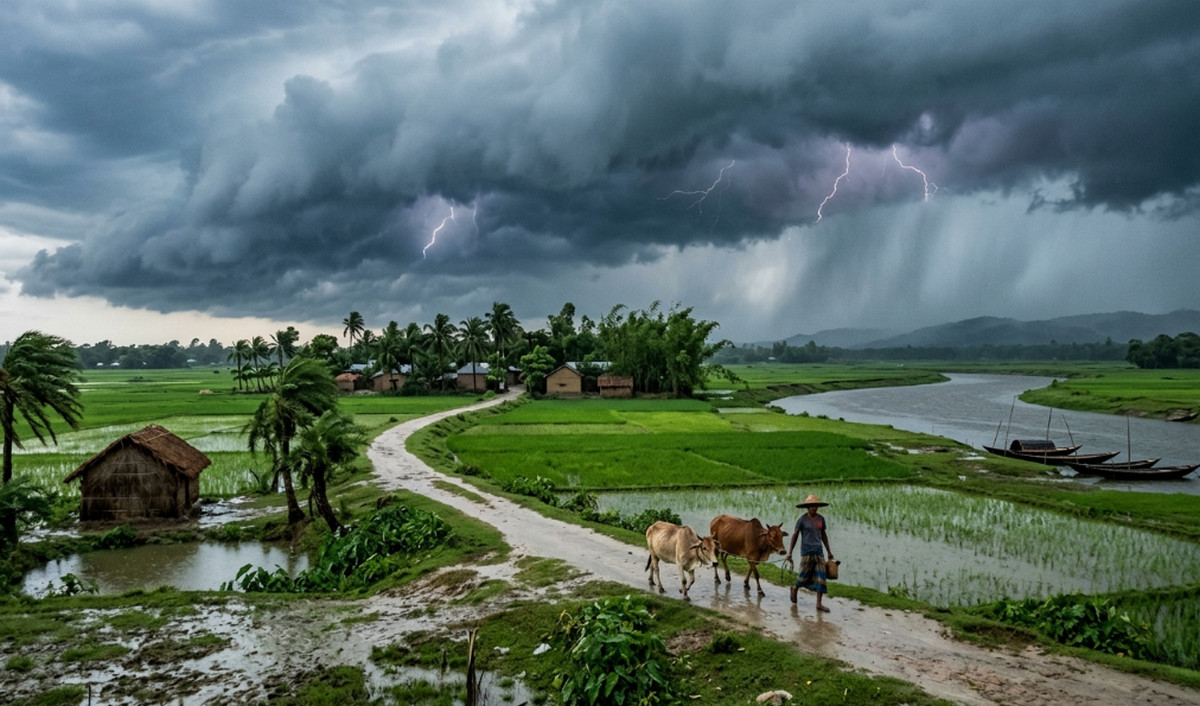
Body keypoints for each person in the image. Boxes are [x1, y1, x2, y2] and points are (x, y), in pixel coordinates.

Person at [786, 493, 833, 612]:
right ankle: (795, 588)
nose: (814, 508)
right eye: (811, 506)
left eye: (815, 506)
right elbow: (795, 536)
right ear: (807, 507)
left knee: (821, 577)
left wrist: (829, 551)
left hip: (819, 551)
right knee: (803, 576)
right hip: (806, 551)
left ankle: (818, 603)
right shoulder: (802, 520)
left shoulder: (821, 519)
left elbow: (823, 535)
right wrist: (790, 552)